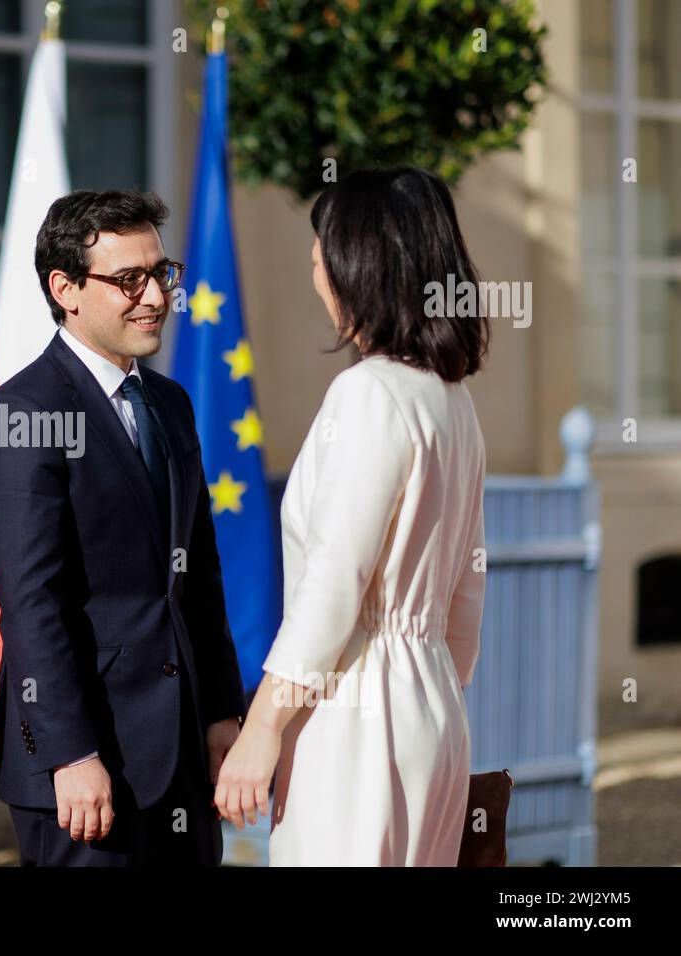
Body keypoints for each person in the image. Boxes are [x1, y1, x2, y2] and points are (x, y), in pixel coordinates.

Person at [214, 166, 490, 866]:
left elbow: (335, 579)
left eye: (320, 260)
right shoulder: (454, 402)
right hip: (432, 704)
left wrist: (265, 726)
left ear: (356, 265)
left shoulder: (368, 394)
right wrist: (427, 685)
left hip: (357, 708)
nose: (316, 278)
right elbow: (467, 590)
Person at [0, 189, 246, 866]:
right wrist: (69, 752)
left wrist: (218, 714)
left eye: (162, 273)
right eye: (129, 279)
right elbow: (31, 602)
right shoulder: (22, 413)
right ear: (64, 288)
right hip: (85, 772)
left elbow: (198, 575)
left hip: (181, 760)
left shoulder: (170, 404)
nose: (155, 296)